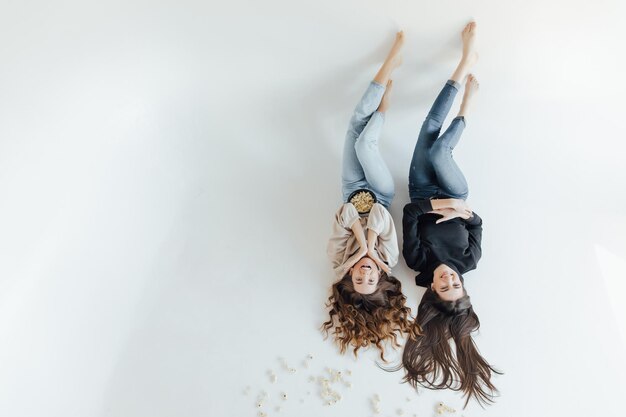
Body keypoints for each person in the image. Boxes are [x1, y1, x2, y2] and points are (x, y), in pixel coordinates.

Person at [400, 22, 501, 406]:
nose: (448, 278)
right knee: (442, 152)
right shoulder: (469, 259)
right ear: (464, 286)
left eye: (442, 286)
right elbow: (476, 221)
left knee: (427, 129)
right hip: (456, 192)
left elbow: (410, 214)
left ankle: (463, 69)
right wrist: (461, 208)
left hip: (422, 191)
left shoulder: (417, 263)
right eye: (455, 285)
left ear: (431, 290)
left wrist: (437, 207)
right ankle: (466, 96)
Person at [322, 31, 418, 361]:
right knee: (365, 144)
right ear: (379, 277)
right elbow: (380, 214)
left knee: (354, 126)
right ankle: (390, 62)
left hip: (351, 189)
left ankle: (386, 89)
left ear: (350, 276)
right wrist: (370, 241)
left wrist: (360, 245)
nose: (365, 272)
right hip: (378, 192)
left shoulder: (337, 259)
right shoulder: (389, 259)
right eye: (371, 277)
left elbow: (345, 212)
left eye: (359, 277)